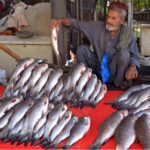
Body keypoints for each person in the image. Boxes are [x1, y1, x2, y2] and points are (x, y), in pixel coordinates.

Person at [49, 1, 140, 89]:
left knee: (124, 54)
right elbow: (76, 24)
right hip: (97, 68)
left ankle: (117, 86)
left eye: (113, 18)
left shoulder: (128, 34)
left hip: (115, 72)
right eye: (108, 16)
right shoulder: (97, 27)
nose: (108, 20)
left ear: (122, 20)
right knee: (82, 50)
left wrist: (132, 67)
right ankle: (87, 82)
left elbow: (134, 55)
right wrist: (59, 20)